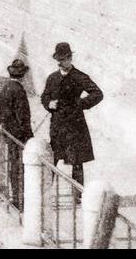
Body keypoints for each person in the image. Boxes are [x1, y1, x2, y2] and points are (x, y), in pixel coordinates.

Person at [40, 42, 102, 189]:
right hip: (57, 126)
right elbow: (44, 96)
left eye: (64, 59)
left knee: (76, 161)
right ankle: (46, 192)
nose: (61, 63)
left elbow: (98, 94)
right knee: (52, 159)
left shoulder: (80, 77)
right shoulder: (52, 78)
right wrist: (49, 104)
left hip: (75, 126)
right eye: (59, 60)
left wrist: (80, 104)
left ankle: (78, 196)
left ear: (70, 58)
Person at [0, 58, 33, 209]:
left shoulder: (7, 87)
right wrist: (26, 135)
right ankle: (19, 201)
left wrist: (4, 124)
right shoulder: (19, 90)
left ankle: (16, 199)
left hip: (10, 135)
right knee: (20, 168)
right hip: (20, 137)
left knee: (14, 166)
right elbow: (23, 117)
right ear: (22, 76)